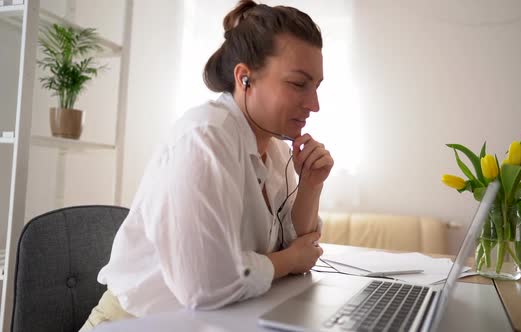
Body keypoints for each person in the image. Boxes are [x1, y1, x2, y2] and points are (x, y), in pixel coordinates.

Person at [79, 0, 333, 330]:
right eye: (299, 84)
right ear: (245, 78)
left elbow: (299, 247)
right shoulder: (205, 137)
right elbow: (207, 286)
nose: (314, 104)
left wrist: (311, 185)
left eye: (316, 86)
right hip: (137, 322)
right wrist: (288, 260)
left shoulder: (276, 150)